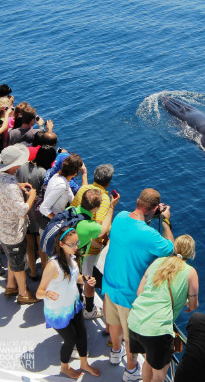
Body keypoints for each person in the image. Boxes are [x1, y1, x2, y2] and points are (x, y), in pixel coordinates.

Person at [102, 188, 174, 382]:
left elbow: (138, 226)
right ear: (154, 208)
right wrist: (165, 220)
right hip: (129, 293)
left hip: (109, 285)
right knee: (130, 336)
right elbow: (171, 250)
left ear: (137, 201)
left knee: (114, 324)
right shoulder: (151, 236)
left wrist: (150, 215)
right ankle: (131, 370)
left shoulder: (121, 217)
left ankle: (115, 353)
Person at [127, 235, 199, 382]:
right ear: (191, 253)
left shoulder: (158, 262)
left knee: (148, 361)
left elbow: (140, 292)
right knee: (159, 375)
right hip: (157, 330)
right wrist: (184, 302)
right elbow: (193, 305)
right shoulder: (190, 272)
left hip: (135, 321)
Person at [36, 227, 100, 379]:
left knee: (82, 335)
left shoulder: (72, 258)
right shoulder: (53, 265)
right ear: (61, 244)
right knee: (70, 340)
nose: (76, 247)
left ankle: (84, 364)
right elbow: (39, 293)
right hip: (58, 312)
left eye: (77, 243)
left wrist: (85, 279)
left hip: (74, 305)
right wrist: (47, 294)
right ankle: (64, 367)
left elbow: (75, 277)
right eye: (72, 244)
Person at [0, 144, 40, 304]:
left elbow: (5, 187)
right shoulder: (10, 188)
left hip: (1, 225)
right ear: (14, 165)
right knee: (18, 262)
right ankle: (23, 293)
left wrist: (18, 185)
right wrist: (32, 195)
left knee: (13, 257)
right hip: (13, 231)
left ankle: (11, 285)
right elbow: (22, 210)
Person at [70, 164, 115, 319]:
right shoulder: (104, 199)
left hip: (76, 242)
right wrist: (111, 208)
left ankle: (77, 300)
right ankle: (89, 310)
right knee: (89, 279)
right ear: (108, 182)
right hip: (90, 248)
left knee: (77, 274)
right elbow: (101, 228)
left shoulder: (83, 189)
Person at [16, 145, 57, 279]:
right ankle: (45, 272)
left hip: (25, 209)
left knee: (29, 244)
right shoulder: (43, 172)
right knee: (41, 245)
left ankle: (33, 272)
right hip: (39, 214)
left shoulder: (22, 167)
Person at [40, 154, 86, 220]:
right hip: (54, 219)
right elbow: (43, 208)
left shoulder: (59, 176)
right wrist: (59, 221)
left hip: (60, 214)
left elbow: (71, 197)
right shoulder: (61, 186)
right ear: (76, 173)